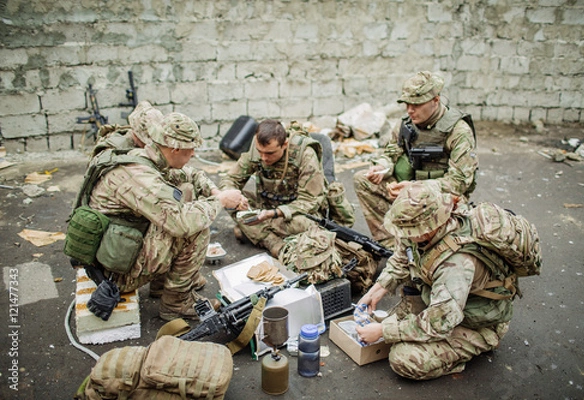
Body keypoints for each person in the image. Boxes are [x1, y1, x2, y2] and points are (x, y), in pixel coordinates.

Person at [83, 112, 244, 321]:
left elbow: (192, 175)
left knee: (185, 190)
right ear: (175, 148)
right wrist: (221, 202)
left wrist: (217, 193)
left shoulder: (148, 157)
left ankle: (162, 285)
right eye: (191, 149)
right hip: (115, 273)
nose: (194, 153)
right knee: (195, 227)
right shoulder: (138, 175)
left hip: (119, 248)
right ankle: (176, 303)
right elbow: (180, 224)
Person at [354, 181, 515, 380]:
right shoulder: (430, 224)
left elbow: (440, 322)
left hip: (475, 322)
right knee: (399, 329)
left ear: (426, 229)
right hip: (448, 301)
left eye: (409, 231)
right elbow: (404, 255)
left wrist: (383, 331)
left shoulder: (455, 263)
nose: (404, 235)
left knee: (403, 359)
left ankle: (476, 345)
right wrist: (378, 289)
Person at [353, 71, 478, 249]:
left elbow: (459, 183)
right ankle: (392, 245)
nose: (410, 110)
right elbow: (391, 153)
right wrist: (382, 167)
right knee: (362, 180)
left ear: (436, 100)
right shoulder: (406, 124)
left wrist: (417, 189)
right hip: (409, 190)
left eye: (417, 104)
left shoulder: (458, 131)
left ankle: (430, 248)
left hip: (440, 197)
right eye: (407, 104)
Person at [218, 119, 329, 257]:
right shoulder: (256, 149)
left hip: (294, 213)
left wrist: (274, 213)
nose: (264, 158)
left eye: (270, 153)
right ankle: (274, 243)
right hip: (266, 207)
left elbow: (310, 201)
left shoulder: (305, 154)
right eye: (260, 152)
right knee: (227, 199)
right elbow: (231, 179)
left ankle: (253, 231)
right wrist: (238, 199)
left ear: (285, 145)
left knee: (305, 224)